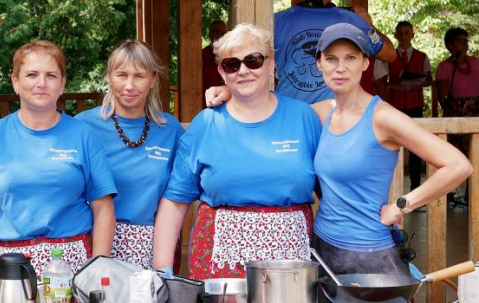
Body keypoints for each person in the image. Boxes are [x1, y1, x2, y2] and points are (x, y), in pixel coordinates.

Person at [153, 24, 321, 280]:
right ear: (222, 72)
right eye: (232, 64)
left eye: (253, 61)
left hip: (291, 271)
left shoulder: (303, 117)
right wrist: (163, 271)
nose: (243, 70)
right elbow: (175, 202)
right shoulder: (205, 124)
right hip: (218, 271)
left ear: (271, 64)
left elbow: (330, 191)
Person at [0, 41, 117, 278]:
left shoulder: (83, 136)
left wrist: (97, 270)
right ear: (15, 81)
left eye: (51, 75)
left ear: (62, 84)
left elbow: (103, 207)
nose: (41, 83)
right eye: (32, 74)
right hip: (10, 263)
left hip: (70, 261)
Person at [309, 23, 472, 275]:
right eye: (331, 59)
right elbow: (271, 111)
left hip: (369, 254)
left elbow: (459, 165)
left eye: (350, 58)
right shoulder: (321, 113)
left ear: (365, 63)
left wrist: (402, 205)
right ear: (319, 64)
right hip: (322, 247)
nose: (340, 68)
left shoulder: (382, 116)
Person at [75, 40, 183, 268]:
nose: (130, 85)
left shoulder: (169, 129)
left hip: (154, 246)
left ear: (153, 79)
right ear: (109, 77)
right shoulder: (83, 126)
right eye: (121, 75)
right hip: (95, 241)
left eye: (139, 76)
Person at [274, 0, 396, 103]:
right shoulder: (353, 20)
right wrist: (369, 25)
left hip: (288, 111)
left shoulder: (277, 21)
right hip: (335, 113)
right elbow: (390, 54)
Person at [382, 21, 433, 190]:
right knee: (391, 146)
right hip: (394, 106)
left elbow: (429, 80)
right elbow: (382, 81)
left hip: (415, 105)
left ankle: (415, 186)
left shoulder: (422, 56)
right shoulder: (389, 57)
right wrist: (394, 84)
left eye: (407, 32)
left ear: (412, 34)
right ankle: (390, 187)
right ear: (395, 35)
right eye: (401, 33)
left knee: (416, 148)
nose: (404, 36)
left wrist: (417, 82)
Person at [436, 27, 479, 169]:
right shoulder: (444, 66)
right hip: (455, 111)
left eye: (465, 41)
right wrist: (452, 111)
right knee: (457, 153)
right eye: (459, 41)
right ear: (450, 45)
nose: (464, 44)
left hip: (475, 110)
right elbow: (441, 96)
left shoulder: (475, 62)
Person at [202, 20, 228, 108]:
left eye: (223, 33)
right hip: (207, 104)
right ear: (210, 33)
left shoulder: (230, 55)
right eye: (216, 32)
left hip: (227, 104)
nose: (220, 35)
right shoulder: (202, 55)